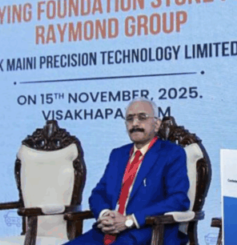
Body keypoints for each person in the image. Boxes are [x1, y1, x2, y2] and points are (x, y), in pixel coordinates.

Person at [67, 99, 189, 245]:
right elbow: (98, 193)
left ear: (157, 124)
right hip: (107, 231)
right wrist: (105, 214)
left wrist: (130, 220)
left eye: (142, 117)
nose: (135, 124)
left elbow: (178, 200)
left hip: (146, 232)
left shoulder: (171, 153)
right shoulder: (118, 154)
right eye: (130, 119)